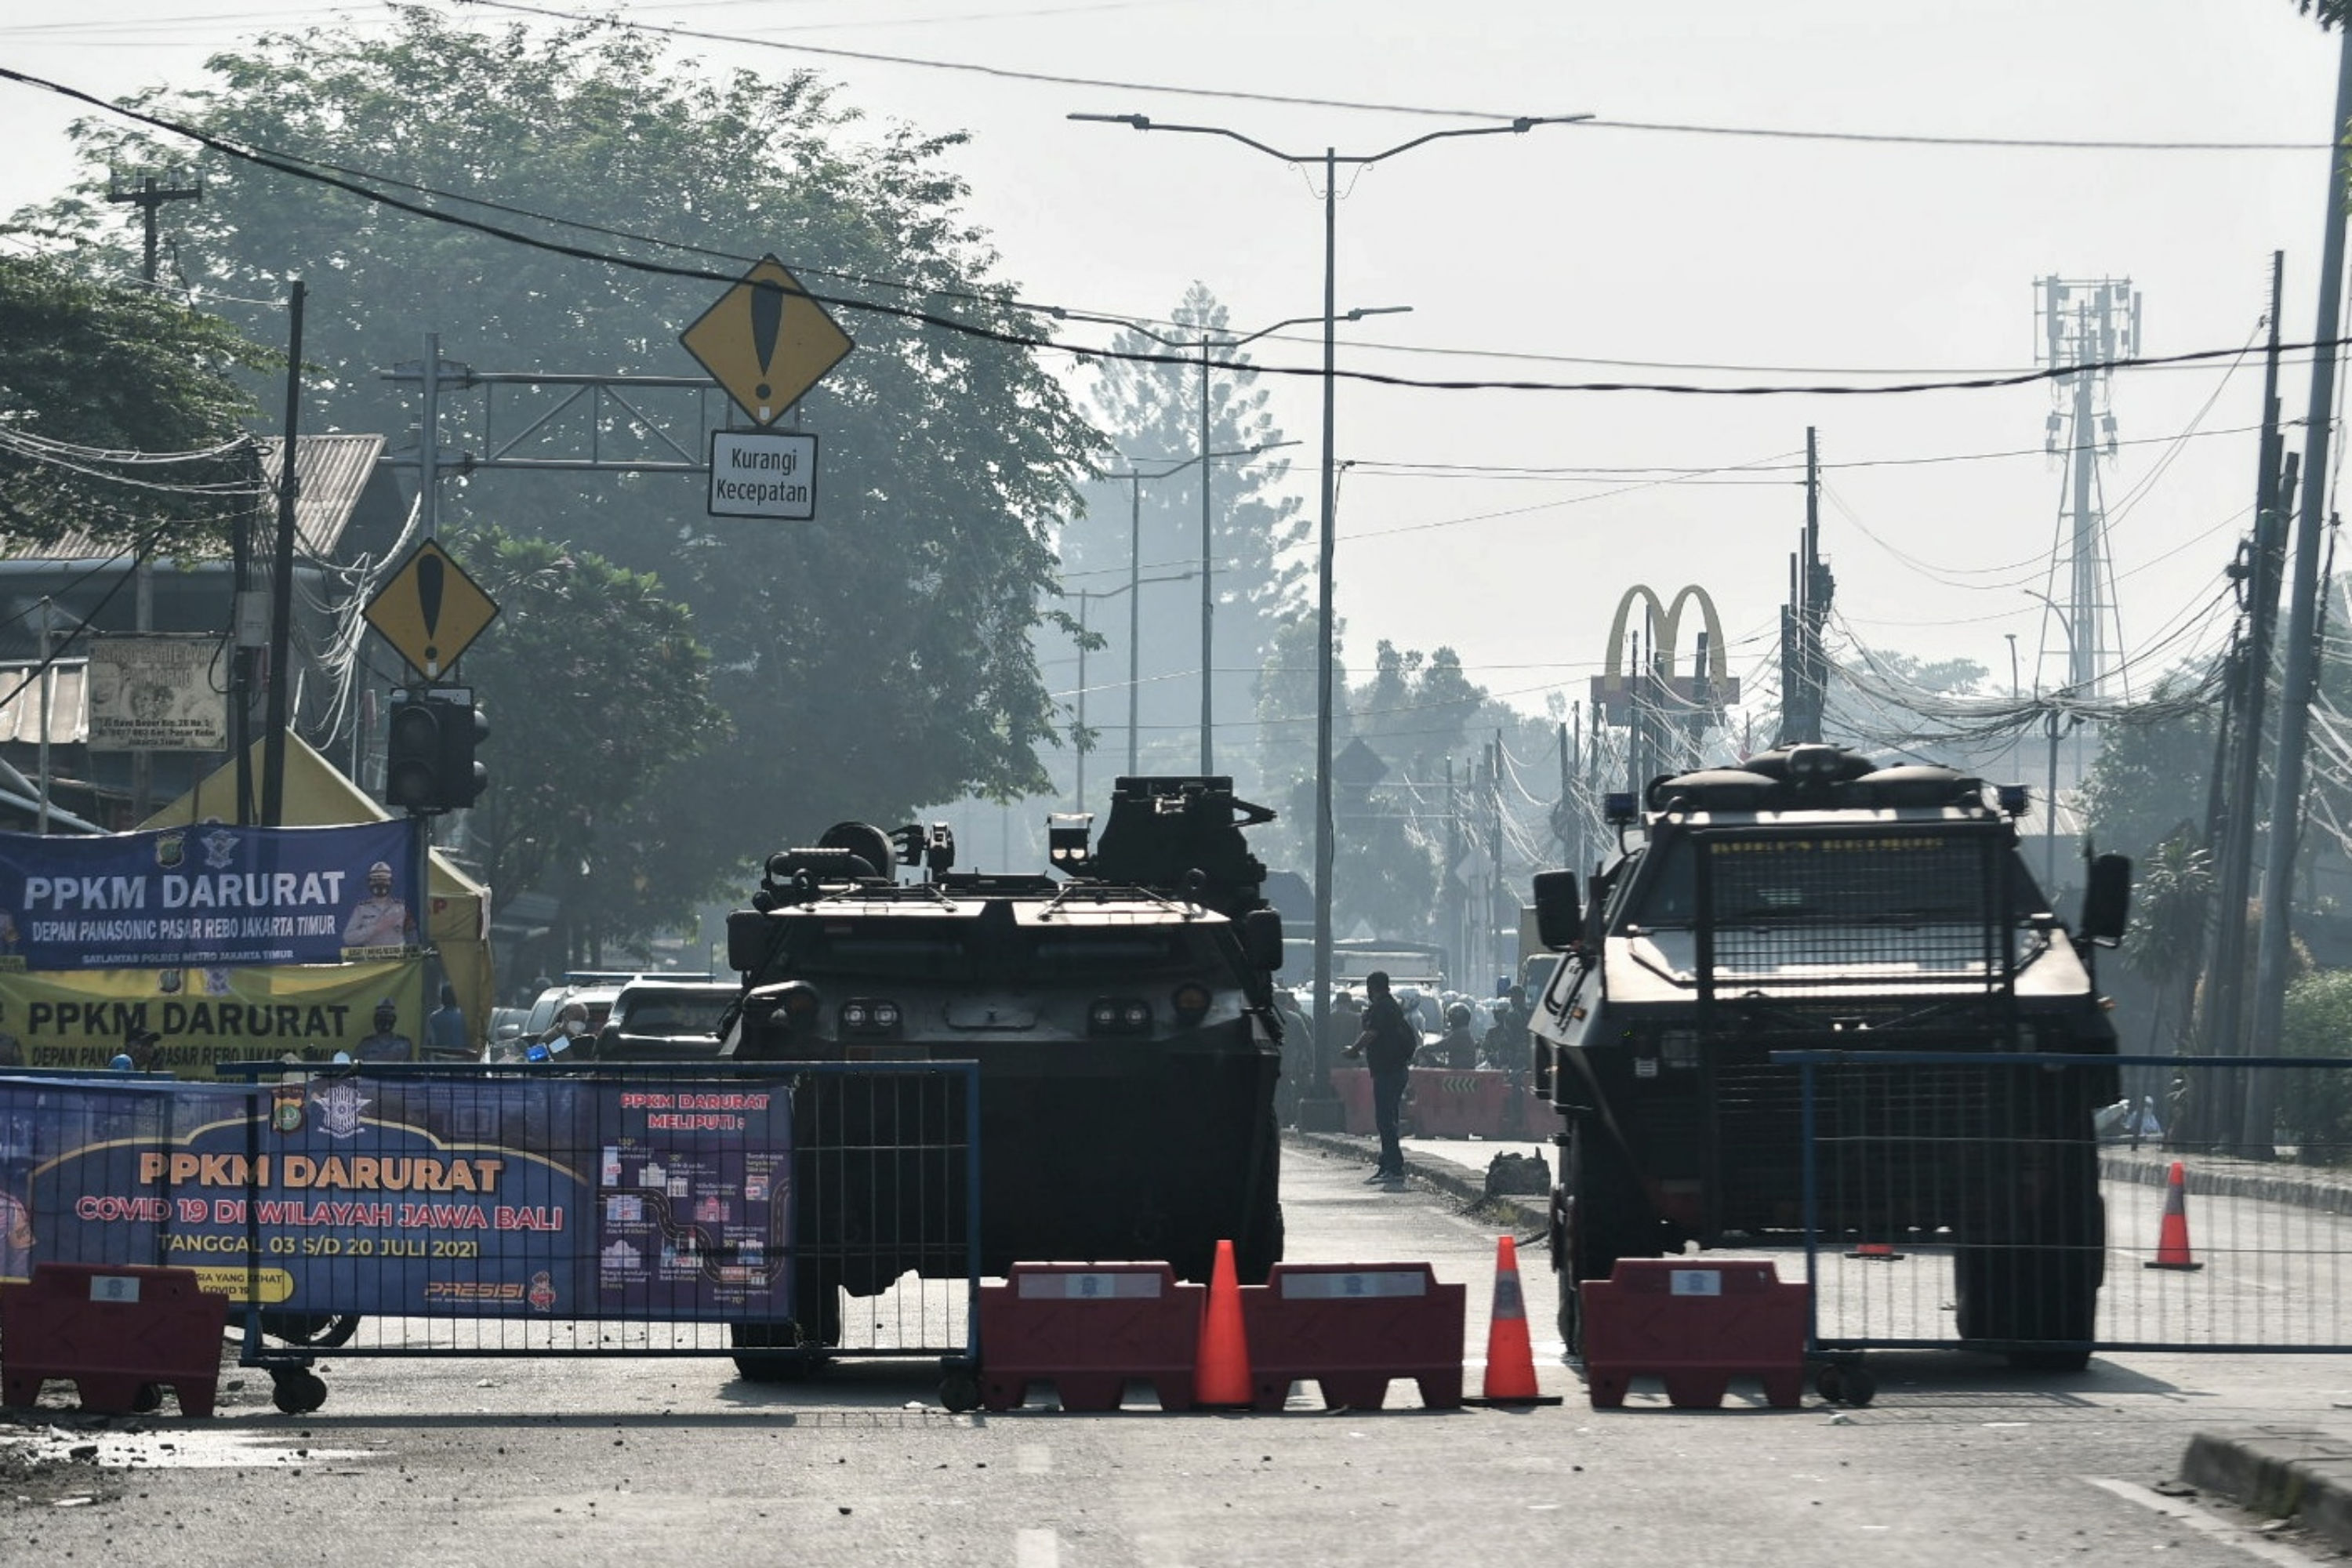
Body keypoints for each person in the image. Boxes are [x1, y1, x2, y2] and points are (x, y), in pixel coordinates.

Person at [1342, 970, 1420, 1182]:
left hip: (1389, 1071)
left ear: (1372, 988)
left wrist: (1354, 1050)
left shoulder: (1382, 1007)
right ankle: (1387, 1164)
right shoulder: (1391, 1007)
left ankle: (1393, 1167)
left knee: (1385, 1120)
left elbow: (1372, 1033)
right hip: (1394, 1069)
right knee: (1388, 1118)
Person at [342, 861, 417, 949]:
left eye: (384, 880)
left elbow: (412, 936)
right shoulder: (362, 909)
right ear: (370, 882)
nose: (380, 883)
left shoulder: (401, 908)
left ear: (390, 882)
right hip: (371, 958)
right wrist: (375, 928)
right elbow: (348, 938)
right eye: (376, 880)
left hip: (398, 958)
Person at [354, 998, 415, 1063]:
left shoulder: (404, 1044)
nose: (384, 1020)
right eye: (380, 1017)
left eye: (387, 1017)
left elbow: (410, 1068)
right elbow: (355, 1067)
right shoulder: (365, 1044)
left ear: (394, 1020)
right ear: (375, 1020)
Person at [424, 983, 470, 1061]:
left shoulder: (434, 1017)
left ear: (442, 998)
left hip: (440, 1062)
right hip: (461, 1062)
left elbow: (429, 1041)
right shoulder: (464, 1017)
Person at [1435, 1002, 1480, 1070]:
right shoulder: (1462, 1032)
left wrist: (1425, 1049)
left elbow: (1442, 1046)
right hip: (1461, 1069)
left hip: (1457, 1070)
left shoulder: (1460, 1033)